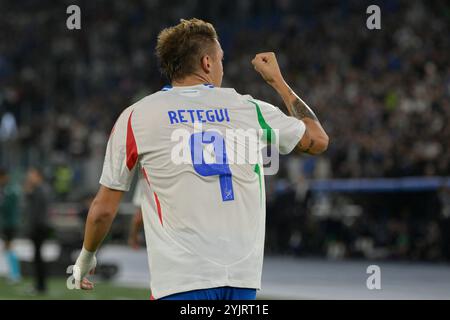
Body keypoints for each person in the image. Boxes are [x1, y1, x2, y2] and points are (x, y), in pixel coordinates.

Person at [74, 18, 328, 300]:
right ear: (207, 63)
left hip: (180, 280)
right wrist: (277, 82)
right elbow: (318, 140)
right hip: (241, 280)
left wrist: (86, 257)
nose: (222, 66)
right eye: (221, 59)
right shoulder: (249, 108)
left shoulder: (137, 116)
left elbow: (104, 210)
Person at [23, 168, 51, 294]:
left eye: (32, 175)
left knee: (38, 257)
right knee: (37, 256)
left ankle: (40, 286)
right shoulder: (41, 189)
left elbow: (37, 212)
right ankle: (39, 285)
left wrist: (33, 227)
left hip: (39, 227)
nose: (29, 177)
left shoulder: (41, 189)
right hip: (39, 227)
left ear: (39, 176)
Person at [0, 168, 21, 283]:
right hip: (9, 222)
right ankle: (13, 273)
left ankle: (15, 274)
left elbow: (5, 206)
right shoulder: (9, 189)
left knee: (9, 247)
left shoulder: (9, 190)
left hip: (10, 223)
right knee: (8, 247)